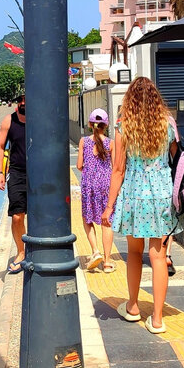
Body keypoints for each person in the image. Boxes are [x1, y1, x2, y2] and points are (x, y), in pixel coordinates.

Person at [102, 77, 179, 334]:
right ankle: (157, 319)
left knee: (134, 253)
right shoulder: (168, 124)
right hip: (161, 196)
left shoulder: (124, 127)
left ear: (130, 100)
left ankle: (133, 307)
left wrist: (109, 206)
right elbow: (174, 157)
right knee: (158, 256)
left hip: (135, 196)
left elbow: (118, 170)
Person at [77, 108, 115, 273]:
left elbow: (79, 165)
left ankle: (95, 251)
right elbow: (116, 168)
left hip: (89, 184)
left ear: (90, 124)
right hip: (106, 185)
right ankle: (107, 262)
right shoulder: (111, 143)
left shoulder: (84, 141)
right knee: (106, 222)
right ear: (106, 125)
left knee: (88, 219)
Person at [0, 94, 27, 274]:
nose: (23, 103)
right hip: (17, 174)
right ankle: (21, 252)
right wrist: (0, 172)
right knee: (17, 216)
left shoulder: (39, 119)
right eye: (20, 100)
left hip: (39, 175)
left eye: (26, 100)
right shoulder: (9, 120)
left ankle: (35, 248)